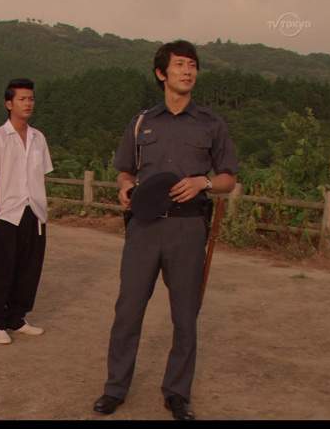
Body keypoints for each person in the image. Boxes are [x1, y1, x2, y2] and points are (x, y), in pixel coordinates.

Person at [92, 40, 238, 420]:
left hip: (188, 228)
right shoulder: (142, 122)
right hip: (143, 227)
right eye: (180, 65)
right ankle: (115, 389)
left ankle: (177, 393)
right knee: (128, 311)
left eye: (193, 65)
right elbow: (125, 170)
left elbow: (228, 178)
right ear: (161, 73)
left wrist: (204, 183)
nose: (188, 71)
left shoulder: (211, 124)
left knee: (185, 315)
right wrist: (125, 186)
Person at [0, 78, 53, 345]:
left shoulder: (38, 138)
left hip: (34, 211)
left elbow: (41, 175)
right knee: (1, 268)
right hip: (7, 212)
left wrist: (42, 207)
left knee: (29, 267)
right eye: (22, 99)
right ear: (9, 103)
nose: (28, 103)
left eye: (31, 98)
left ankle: (17, 318)